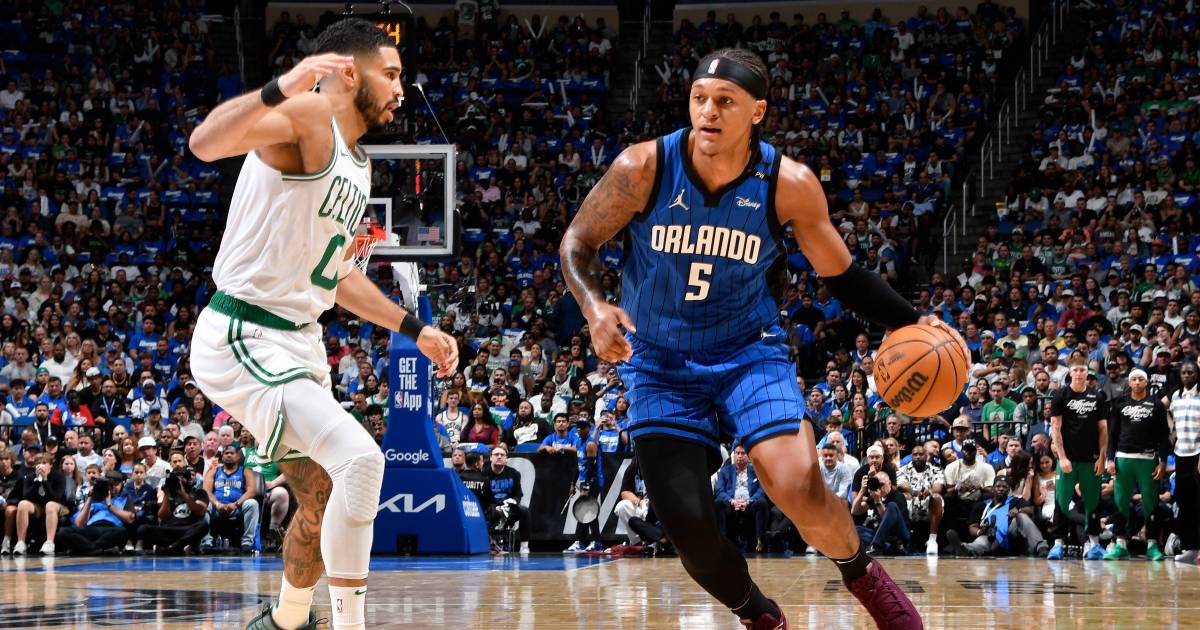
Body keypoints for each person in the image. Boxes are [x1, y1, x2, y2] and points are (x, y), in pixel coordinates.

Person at [560, 47, 934, 628]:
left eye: (725, 101)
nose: (708, 111)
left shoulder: (789, 183)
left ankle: (863, 574)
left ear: (757, 111)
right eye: (699, 99)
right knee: (687, 526)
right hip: (658, 361)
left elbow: (843, 276)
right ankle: (759, 616)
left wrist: (912, 322)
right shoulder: (643, 167)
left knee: (798, 486)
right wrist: (594, 306)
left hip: (748, 352)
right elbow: (577, 243)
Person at [188, 18, 457, 630]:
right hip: (246, 331)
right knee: (362, 460)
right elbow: (204, 142)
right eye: (391, 74)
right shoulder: (310, 116)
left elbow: (337, 276)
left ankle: (286, 620)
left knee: (321, 493)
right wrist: (283, 85)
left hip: (300, 343)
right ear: (349, 71)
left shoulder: (358, 165)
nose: (401, 88)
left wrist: (415, 329)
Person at [1102, 369, 1170, 560]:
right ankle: (1120, 544)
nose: (1137, 382)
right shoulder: (1119, 403)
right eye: (1134, 379)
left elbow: (1163, 436)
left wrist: (1163, 461)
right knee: (1121, 501)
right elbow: (1112, 435)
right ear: (1129, 383)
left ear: (1146, 382)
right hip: (1124, 458)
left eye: (1141, 379)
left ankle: (1152, 545)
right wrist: (1109, 459)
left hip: (1148, 458)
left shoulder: (1156, 404)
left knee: (1151, 502)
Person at [1047, 355, 1108, 560]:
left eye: (1083, 370)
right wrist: (1062, 457)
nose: (1079, 373)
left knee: (1093, 501)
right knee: (1062, 500)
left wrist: (1102, 457)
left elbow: (1103, 429)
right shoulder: (1061, 395)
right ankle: (1058, 544)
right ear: (1070, 372)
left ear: (1087, 372)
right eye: (1076, 370)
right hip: (1069, 459)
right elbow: (1056, 427)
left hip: (1091, 458)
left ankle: (1094, 544)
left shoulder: (1097, 396)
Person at [946, 476, 1048, 557]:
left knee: (1022, 516)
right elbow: (972, 527)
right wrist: (980, 531)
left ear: (1008, 489)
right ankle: (964, 549)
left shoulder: (1015, 501)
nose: (1001, 489)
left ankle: (1041, 547)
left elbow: (1030, 510)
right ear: (992, 488)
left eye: (1004, 487)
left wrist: (1018, 511)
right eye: (998, 486)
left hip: (1012, 539)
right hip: (991, 539)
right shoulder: (982, 505)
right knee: (981, 542)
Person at [138, 450, 209, 554]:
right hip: (170, 530)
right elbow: (162, 516)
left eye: (183, 477)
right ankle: (180, 547)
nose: (180, 480)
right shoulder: (170, 492)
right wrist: (167, 494)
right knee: (142, 529)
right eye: (178, 477)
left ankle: (173, 547)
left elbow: (200, 511)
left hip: (188, 530)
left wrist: (184, 494)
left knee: (204, 525)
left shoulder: (199, 492)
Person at [56, 470, 134, 556]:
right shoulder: (96, 498)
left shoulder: (125, 498)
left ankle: (83, 549)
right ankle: (97, 550)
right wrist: (90, 497)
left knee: (123, 532)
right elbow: (79, 523)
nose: (113, 487)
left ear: (122, 485)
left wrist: (109, 505)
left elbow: (130, 518)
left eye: (116, 485)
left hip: (111, 529)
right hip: (92, 528)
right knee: (63, 532)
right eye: (110, 485)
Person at [202, 444, 260, 553]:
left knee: (252, 503)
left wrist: (236, 504)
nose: (229, 455)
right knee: (204, 504)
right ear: (222, 456)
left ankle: (247, 543)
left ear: (238, 456)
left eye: (232, 453)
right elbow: (206, 491)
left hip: (237, 508)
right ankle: (206, 542)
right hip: (217, 508)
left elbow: (252, 491)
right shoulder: (214, 470)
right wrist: (217, 504)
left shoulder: (245, 470)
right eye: (226, 453)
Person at [1169, 362, 1200, 564]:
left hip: (1198, 454)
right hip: (1181, 454)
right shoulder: (1175, 396)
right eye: (1184, 373)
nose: (1187, 375)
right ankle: (1190, 547)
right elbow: (1167, 412)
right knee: (1185, 502)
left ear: (1197, 374)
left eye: (1191, 372)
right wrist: (1173, 432)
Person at [713, 444, 769, 553]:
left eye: (743, 453)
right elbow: (719, 491)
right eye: (737, 453)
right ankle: (722, 542)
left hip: (750, 505)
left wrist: (748, 502)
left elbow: (761, 490)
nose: (739, 456)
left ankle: (760, 541)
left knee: (762, 503)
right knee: (718, 503)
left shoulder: (756, 471)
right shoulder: (725, 471)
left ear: (748, 456)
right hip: (731, 504)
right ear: (733, 455)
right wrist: (732, 501)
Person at [11, 451, 65, 555]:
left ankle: (49, 543)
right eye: (38, 463)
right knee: (22, 504)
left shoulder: (59, 476)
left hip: (57, 506)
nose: (41, 466)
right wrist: (37, 481)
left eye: (44, 463)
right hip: (38, 506)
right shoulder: (30, 477)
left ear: (50, 465)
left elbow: (56, 498)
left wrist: (45, 480)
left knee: (50, 505)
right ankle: (21, 542)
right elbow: (26, 496)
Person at [896, 444, 945, 555]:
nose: (918, 457)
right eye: (915, 454)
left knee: (936, 497)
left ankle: (932, 540)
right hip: (910, 503)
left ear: (926, 455)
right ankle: (903, 541)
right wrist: (915, 492)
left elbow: (938, 487)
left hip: (929, 503)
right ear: (912, 456)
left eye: (921, 454)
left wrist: (928, 492)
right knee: (902, 496)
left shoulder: (936, 470)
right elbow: (903, 485)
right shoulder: (902, 470)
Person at [851, 471, 910, 555]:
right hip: (883, 538)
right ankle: (888, 548)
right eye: (877, 485)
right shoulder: (875, 495)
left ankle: (876, 546)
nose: (879, 488)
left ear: (889, 483)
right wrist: (862, 490)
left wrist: (878, 501)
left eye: (882, 484)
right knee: (855, 529)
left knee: (891, 505)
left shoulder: (898, 496)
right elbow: (855, 511)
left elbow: (889, 524)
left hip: (899, 536)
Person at [484, 445, 529, 554]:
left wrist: (511, 502)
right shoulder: (484, 473)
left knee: (524, 511)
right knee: (494, 512)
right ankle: (493, 544)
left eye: (502, 455)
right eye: (496, 454)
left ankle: (524, 546)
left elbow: (518, 495)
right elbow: (482, 496)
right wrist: (494, 506)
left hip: (508, 507)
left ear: (506, 459)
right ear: (491, 458)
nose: (499, 457)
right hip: (490, 507)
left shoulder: (514, 474)